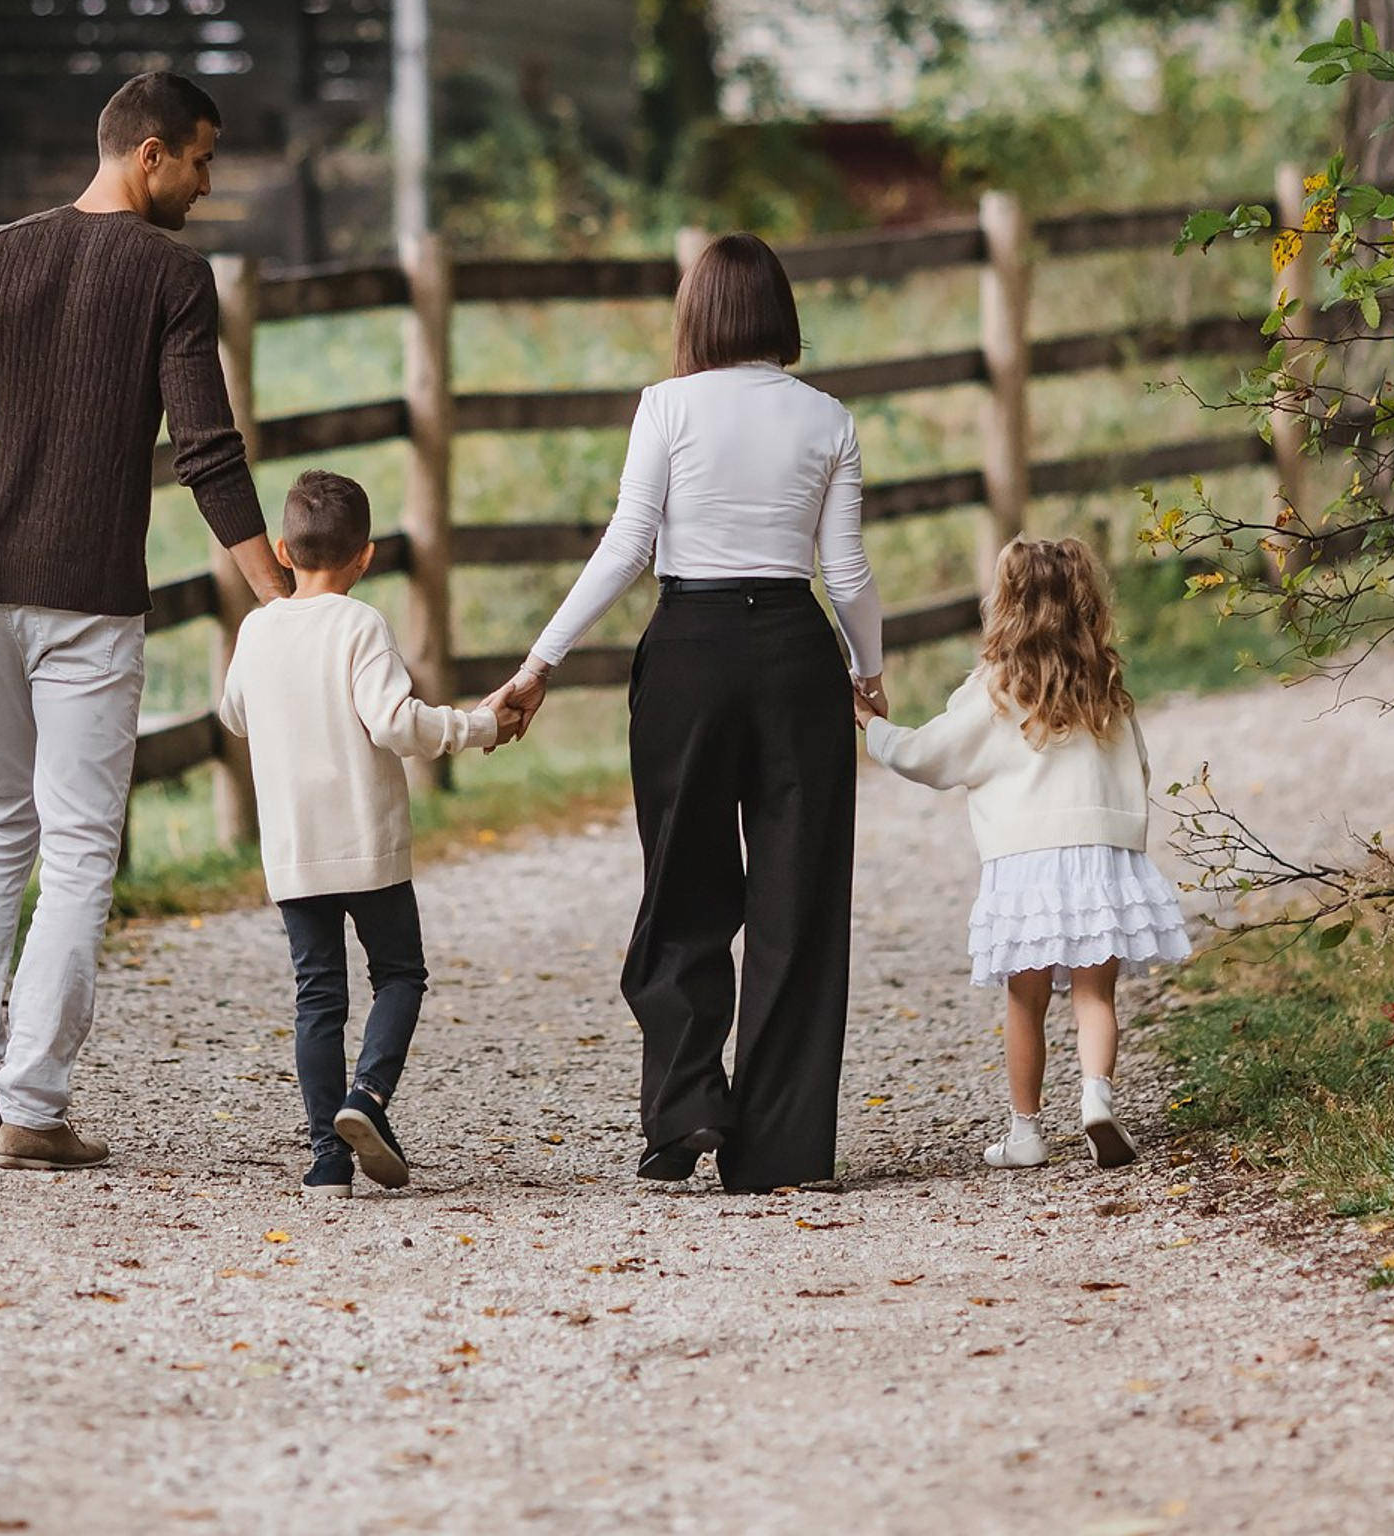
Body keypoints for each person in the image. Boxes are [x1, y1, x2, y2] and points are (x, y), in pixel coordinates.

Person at [0, 71, 288, 1173]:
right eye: (200, 158)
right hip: (86, 601)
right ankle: (33, 1105)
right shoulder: (171, 275)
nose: (206, 180)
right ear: (147, 154)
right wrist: (281, 596)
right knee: (80, 848)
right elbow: (208, 453)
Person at [502, 233, 884, 1194]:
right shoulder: (828, 419)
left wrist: (541, 658)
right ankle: (782, 1148)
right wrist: (867, 671)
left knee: (682, 884)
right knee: (798, 901)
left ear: (699, 314)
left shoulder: (666, 407)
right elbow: (844, 574)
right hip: (796, 658)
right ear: (780, 314)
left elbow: (630, 543)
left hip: (690, 655)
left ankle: (682, 1112)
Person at [218, 470, 523, 1198]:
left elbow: (234, 714)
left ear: (284, 550)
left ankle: (328, 1158)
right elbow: (393, 722)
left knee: (317, 995)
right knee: (400, 974)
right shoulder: (360, 626)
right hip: (367, 842)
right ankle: (368, 1097)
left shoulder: (257, 628)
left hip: (294, 849)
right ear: (367, 556)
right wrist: (476, 726)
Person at [857, 533, 1190, 1170]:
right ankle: (1096, 1098)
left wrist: (873, 727)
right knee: (1096, 994)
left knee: (1026, 1000)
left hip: (1026, 865)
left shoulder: (996, 691)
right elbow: (1139, 768)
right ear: (1085, 600)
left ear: (1004, 603)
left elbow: (929, 755)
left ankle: (1026, 1131)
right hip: (1100, 856)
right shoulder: (1106, 684)